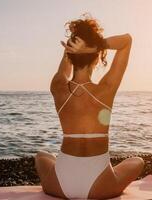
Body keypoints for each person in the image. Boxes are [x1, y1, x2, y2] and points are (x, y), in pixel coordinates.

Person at [34, 15, 145, 199]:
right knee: (137, 161)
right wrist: (97, 45)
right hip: (99, 187)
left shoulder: (57, 87)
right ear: (96, 58)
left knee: (41, 156)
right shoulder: (106, 90)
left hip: (60, 185)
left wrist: (69, 51)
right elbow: (127, 41)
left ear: (69, 55)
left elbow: (64, 70)